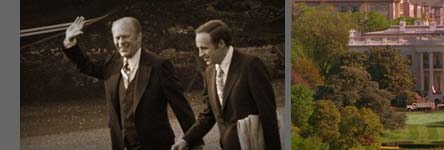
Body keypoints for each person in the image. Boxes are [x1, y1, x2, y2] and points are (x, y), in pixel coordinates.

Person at [62, 16, 197, 150]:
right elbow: (87, 66)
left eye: (125, 37)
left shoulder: (159, 66)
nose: (121, 42)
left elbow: (181, 106)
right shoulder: (112, 63)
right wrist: (70, 41)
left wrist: (193, 140)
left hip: (156, 145)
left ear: (139, 37)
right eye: (117, 37)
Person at [172, 20, 281, 150]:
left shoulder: (251, 65)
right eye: (198, 49)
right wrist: (186, 140)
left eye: (204, 48)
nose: (200, 55)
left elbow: (268, 115)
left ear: (221, 43)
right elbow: (209, 114)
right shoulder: (209, 72)